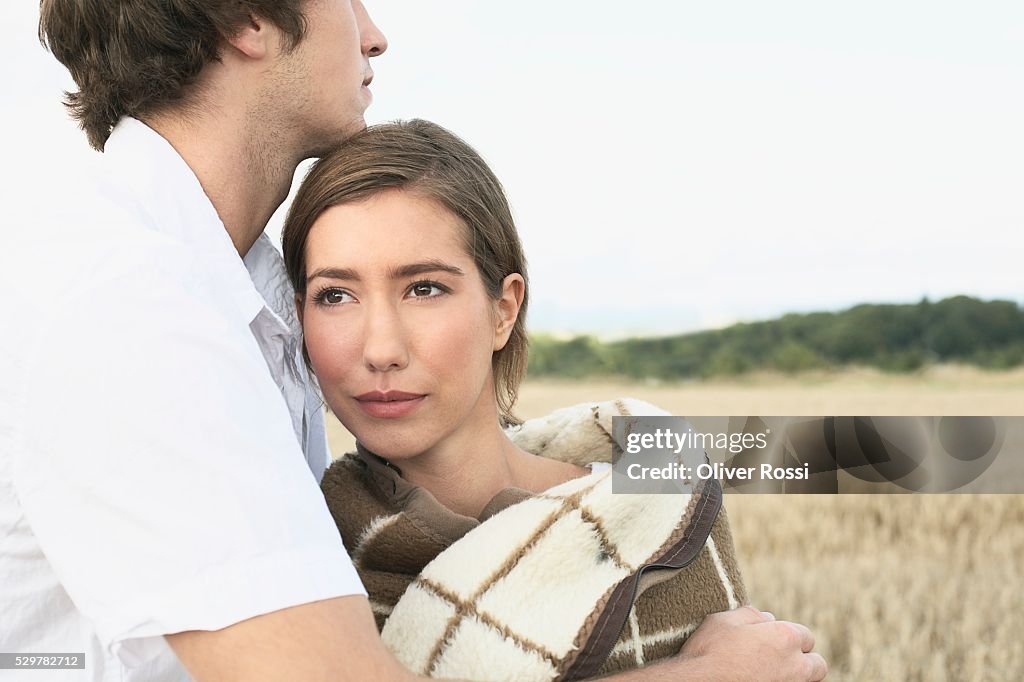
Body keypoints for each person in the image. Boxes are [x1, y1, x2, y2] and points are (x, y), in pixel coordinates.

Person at [0, 1, 826, 681]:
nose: (373, 33)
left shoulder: (220, 291)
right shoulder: (132, 303)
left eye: (424, 287)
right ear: (247, 19)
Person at [281, 119, 761, 679]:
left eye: (424, 288)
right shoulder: (297, 566)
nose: (380, 348)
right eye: (336, 295)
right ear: (300, 319)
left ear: (503, 311)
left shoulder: (656, 506)